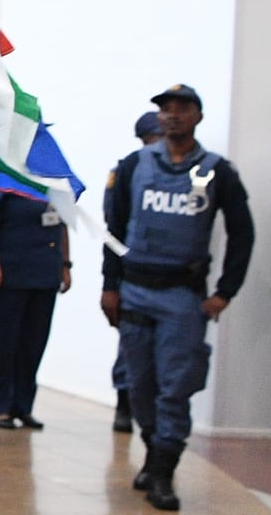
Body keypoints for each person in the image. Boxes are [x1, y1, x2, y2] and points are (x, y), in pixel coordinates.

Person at [103, 83, 254, 511]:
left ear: (197, 117)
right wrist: (110, 286)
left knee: (175, 388)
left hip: (182, 297)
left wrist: (225, 292)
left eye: (181, 108)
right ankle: (154, 455)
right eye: (165, 109)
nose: (172, 115)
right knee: (139, 386)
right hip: (135, 292)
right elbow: (114, 230)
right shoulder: (134, 165)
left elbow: (243, 234)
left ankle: (163, 473)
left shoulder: (218, 172)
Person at [0, 190, 70, 429]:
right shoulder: (5, 175)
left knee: (33, 344)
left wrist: (65, 264)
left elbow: (64, 222)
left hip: (43, 273)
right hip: (6, 273)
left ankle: (22, 405)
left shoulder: (57, 181)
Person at [113, 108, 165, 432]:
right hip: (132, 272)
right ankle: (124, 403)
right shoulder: (130, 170)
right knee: (132, 345)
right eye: (152, 138)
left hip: (170, 275)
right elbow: (115, 223)